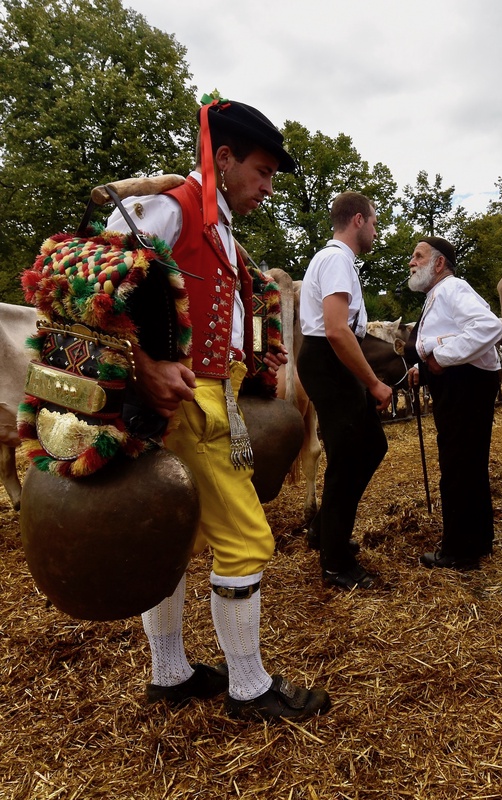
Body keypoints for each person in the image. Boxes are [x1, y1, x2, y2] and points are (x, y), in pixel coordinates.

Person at [107, 95, 330, 722]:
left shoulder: (219, 226)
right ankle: (250, 688)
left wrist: (252, 358)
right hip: (189, 402)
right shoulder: (171, 206)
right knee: (246, 538)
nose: (268, 187)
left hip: (212, 394)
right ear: (224, 157)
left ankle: (170, 673)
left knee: (179, 537)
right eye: (262, 172)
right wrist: (144, 366)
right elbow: (94, 285)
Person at [297, 191, 393, 590]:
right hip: (328, 361)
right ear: (358, 220)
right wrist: (373, 382)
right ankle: (335, 562)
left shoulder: (336, 260)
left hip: (328, 361)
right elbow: (337, 330)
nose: (376, 230)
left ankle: (324, 531)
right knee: (350, 456)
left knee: (369, 447)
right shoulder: (337, 259)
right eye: (374, 222)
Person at [407, 236, 502, 570]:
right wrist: (424, 366)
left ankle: (460, 551)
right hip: (462, 383)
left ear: (439, 263)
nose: (411, 262)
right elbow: (446, 337)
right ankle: (478, 540)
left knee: (458, 465)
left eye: (418, 256)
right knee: (467, 463)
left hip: (466, 385)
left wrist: (442, 357)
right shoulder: (439, 293)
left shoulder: (452, 288)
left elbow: (489, 326)